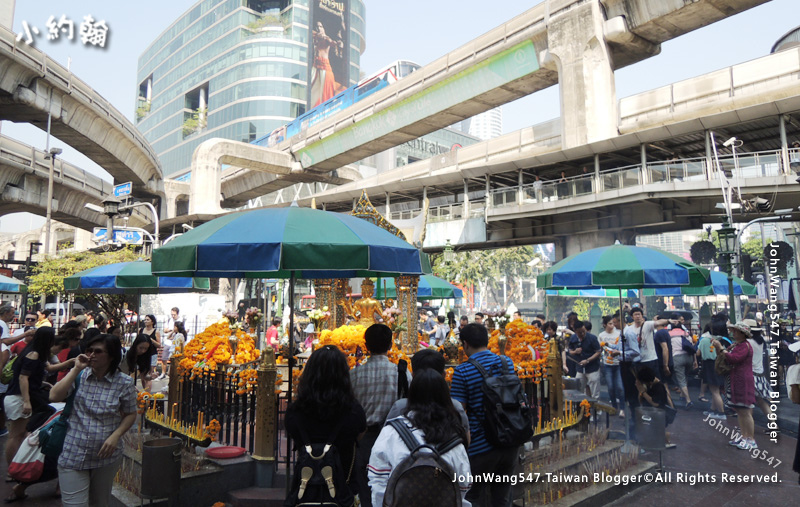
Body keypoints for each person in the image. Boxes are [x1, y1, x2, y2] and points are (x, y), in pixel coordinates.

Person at [51, 333, 136, 506]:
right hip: (74, 452)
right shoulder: (79, 375)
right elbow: (53, 396)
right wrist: (75, 368)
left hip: (105, 456)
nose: (92, 355)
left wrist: (116, 435)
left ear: (111, 356)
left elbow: (130, 413)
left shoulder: (124, 383)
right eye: (89, 350)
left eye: (98, 351)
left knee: (100, 502)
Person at [368, 369, 472, 506]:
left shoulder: (392, 432)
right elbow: (463, 484)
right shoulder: (453, 437)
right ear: (446, 397)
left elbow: (378, 480)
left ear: (411, 395)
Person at [451, 323, 520, 507]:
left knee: (472, 498)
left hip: (481, 446)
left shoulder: (462, 371)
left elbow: (458, 410)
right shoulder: (506, 363)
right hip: (509, 441)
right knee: (502, 498)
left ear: (465, 344)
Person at [285, 346, 366, 503]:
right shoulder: (353, 411)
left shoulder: (295, 411)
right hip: (344, 492)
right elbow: (360, 435)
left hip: (306, 492)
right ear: (343, 376)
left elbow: (293, 434)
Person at [350, 324, 411, 507]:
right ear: (390, 344)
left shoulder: (354, 375)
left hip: (363, 439)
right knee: (393, 487)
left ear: (366, 346)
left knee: (366, 488)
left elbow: (348, 409)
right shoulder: (401, 374)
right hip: (395, 439)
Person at [3, 327, 76, 473]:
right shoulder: (34, 354)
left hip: (21, 397)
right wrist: (26, 401)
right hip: (18, 398)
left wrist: (71, 363)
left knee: (21, 433)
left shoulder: (38, 353)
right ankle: (12, 470)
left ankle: (16, 467)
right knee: (15, 436)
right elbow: (23, 378)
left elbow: (49, 369)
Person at [385, 348, 470, 444]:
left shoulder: (400, 407)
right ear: (444, 375)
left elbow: (386, 441)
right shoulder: (455, 407)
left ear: (413, 375)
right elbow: (466, 441)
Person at [712, 322, 757, 451]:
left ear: (742, 334)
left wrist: (720, 348)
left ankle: (751, 439)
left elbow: (733, 359)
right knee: (739, 410)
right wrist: (720, 349)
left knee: (745, 411)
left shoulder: (744, 346)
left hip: (742, 381)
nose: (733, 333)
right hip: (736, 380)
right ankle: (744, 436)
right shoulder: (738, 345)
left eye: (736, 331)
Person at [743, 319, 776, 435]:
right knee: (763, 403)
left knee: (748, 404)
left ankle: (747, 428)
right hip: (760, 376)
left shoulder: (747, 343)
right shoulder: (761, 341)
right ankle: (773, 426)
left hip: (750, 375)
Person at [696, 325, 726, 419]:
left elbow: (698, 353)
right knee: (716, 390)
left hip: (708, 365)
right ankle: (712, 410)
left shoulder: (704, 340)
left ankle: (721, 413)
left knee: (714, 391)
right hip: (718, 364)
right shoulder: (719, 341)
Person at [599, 316, 625, 417]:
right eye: (610, 324)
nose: (612, 325)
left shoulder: (619, 333)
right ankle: (614, 407)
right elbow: (600, 349)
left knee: (620, 387)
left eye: (613, 323)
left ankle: (622, 408)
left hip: (618, 363)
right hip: (607, 364)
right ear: (605, 325)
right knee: (610, 387)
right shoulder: (601, 335)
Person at [668, 316, 696, 409]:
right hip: (689, 358)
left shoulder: (669, 334)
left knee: (681, 379)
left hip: (677, 358)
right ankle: (682, 396)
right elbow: (692, 348)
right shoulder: (686, 333)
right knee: (686, 376)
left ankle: (688, 401)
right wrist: (695, 360)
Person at [573, 321, 601, 399]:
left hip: (593, 368)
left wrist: (588, 360)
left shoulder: (592, 338)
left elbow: (598, 351)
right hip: (580, 369)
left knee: (595, 392)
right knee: (578, 390)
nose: (582, 334)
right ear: (575, 331)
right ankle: (581, 409)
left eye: (583, 331)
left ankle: (597, 410)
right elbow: (570, 351)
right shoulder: (573, 338)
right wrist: (575, 351)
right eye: (579, 332)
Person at [652, 317, 673, 382]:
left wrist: (665, 365)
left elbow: (665, 348)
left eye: (654, 320)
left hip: (662, 362)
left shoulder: (659, 333)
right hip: (667, 361)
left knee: (663, 383)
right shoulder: (664, 332)